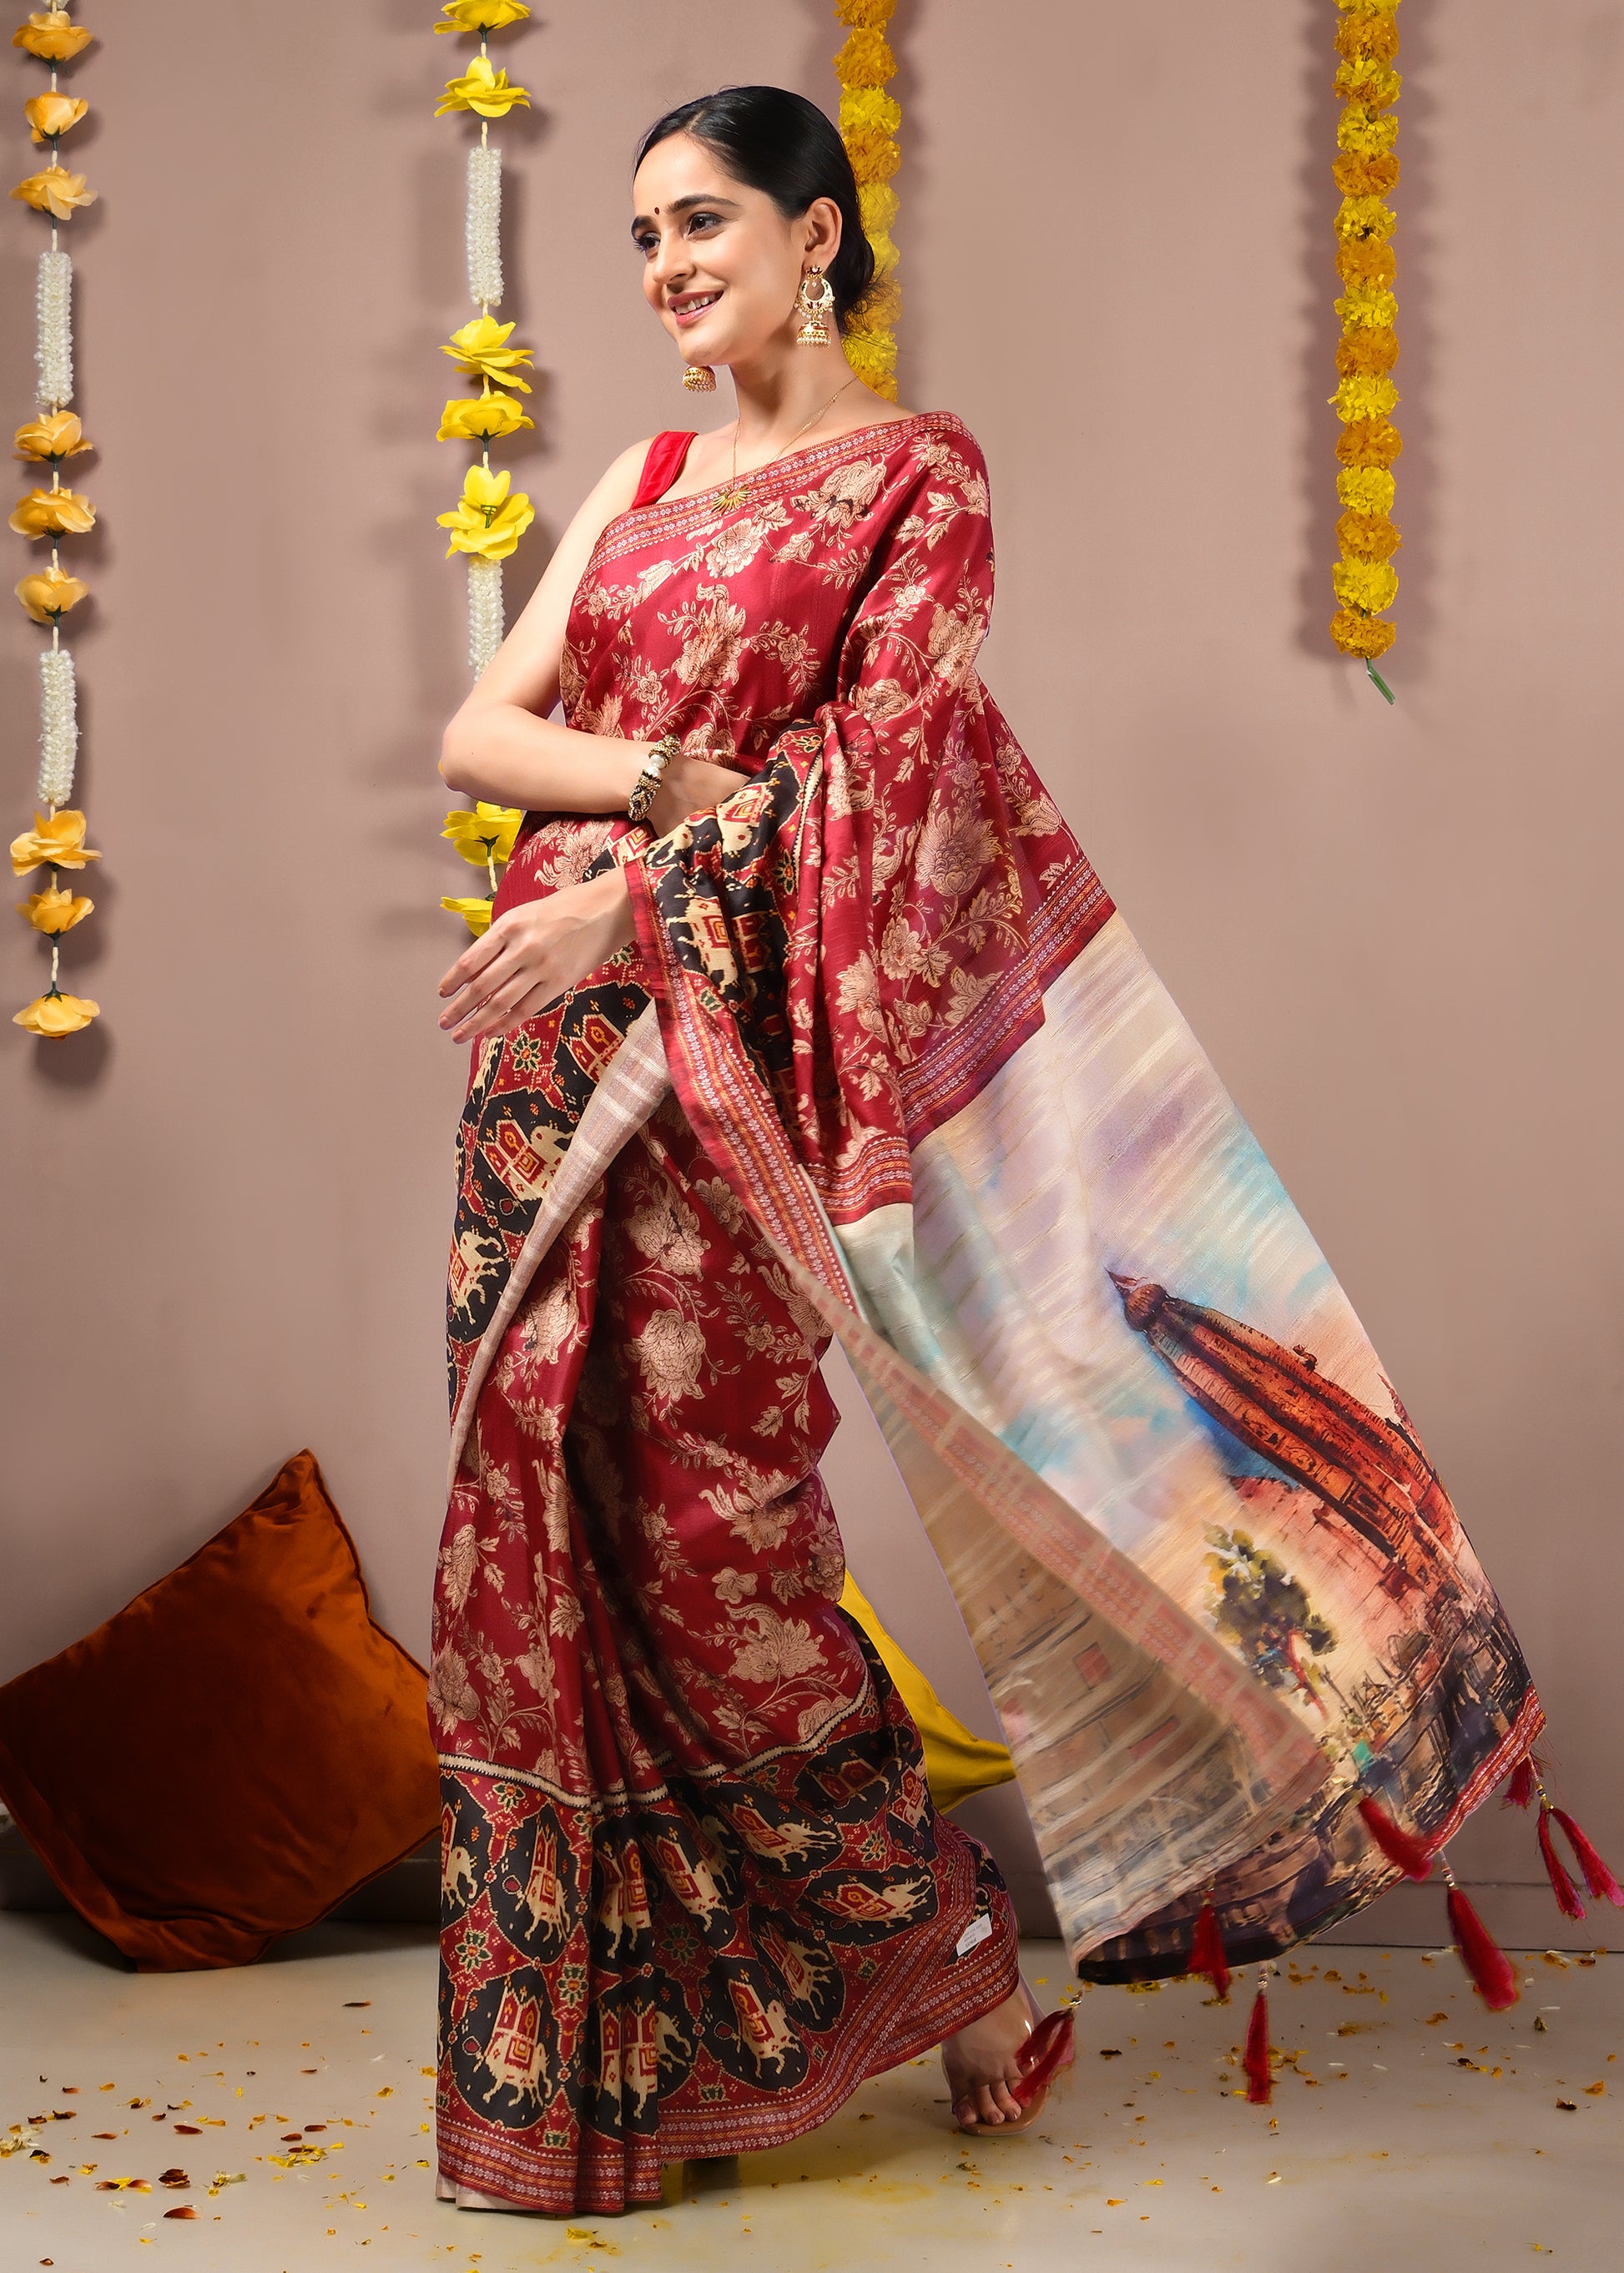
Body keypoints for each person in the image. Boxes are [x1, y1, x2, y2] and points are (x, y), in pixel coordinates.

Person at [428, 85, 1538, 2221]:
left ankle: (946, 1970)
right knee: (544, 1546)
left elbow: (898, 782)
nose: (664, 269)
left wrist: (631, 887)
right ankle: (627, 2079)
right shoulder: (638, 478)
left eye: (703, 223)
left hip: (730, 1067)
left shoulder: (917, 479)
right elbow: (481, 732)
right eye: (640, 236)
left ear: (816, 233)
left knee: (716, 1541)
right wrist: (668, 795)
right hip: (546, 1077)